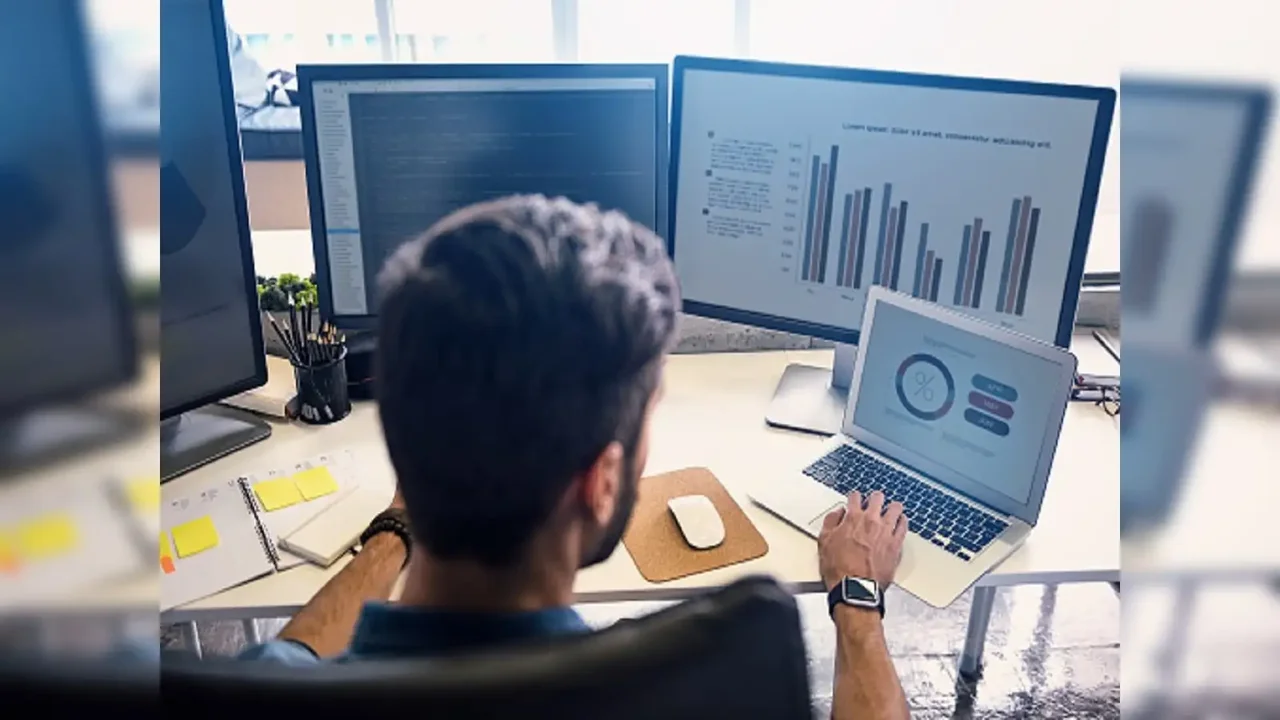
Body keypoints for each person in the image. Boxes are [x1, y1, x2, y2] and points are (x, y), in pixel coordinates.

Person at [240, 195, 910, 719]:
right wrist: (856, 601)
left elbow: (289, 662)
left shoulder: (251, 695)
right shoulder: (685, 702)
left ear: (399, 442)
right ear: (603, 481)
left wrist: (394, 530)